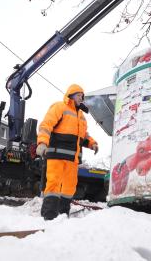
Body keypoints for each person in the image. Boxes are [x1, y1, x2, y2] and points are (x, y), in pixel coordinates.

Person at [36, 84, 98, 220]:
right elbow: (46, 125)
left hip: (72, 159)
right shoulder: (59, 107)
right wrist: (42, 143)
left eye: (82, 96)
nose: (81, 98)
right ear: (70, 95)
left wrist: (92, 143)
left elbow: (83, 136)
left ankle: (63, 216)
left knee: (69, 188)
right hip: (56, 156)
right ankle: (49, 217)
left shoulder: (81, 116)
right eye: (78, 95)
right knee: (53, 184)